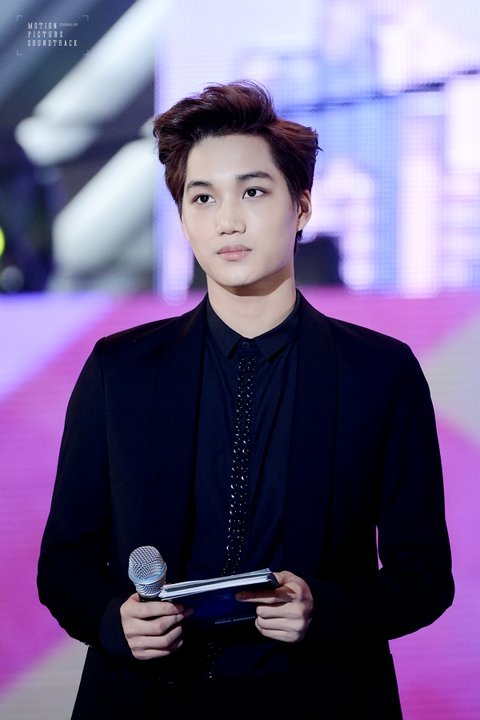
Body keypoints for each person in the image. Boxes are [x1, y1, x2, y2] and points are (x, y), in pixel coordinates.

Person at [38, 81, 454, 719]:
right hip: (149, 701)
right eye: (202, 197)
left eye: (253, 192)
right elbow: (65, 560)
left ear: (302, 207)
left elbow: (424, 575)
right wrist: (112, 620)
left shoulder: (380, 372)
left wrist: (326, 608)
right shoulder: (120, 369)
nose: (226, 220)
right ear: (183, 217)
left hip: (319, 700)